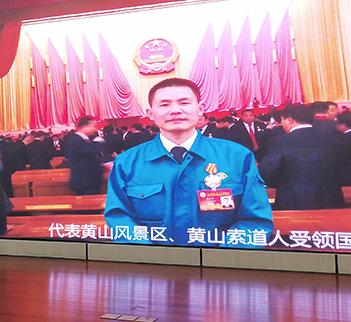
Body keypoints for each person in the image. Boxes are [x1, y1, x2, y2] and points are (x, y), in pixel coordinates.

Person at [104, 78, 273, 246]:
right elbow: (120, 218)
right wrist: (151, 258)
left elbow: (254, 220)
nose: (175, 110)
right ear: (151, 114)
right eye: (164, 104)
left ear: (200, 109)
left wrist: (220, 259)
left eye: (184, 103)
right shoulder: (127, 162)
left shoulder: (236, 157)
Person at [258, 104, 344, 210]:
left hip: (293, 200)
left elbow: (267, 172)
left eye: (282, 120)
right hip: (330, 198)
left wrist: (282, 184)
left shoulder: (280, 141)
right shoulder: (331, 139)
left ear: (289, 120)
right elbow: (341, 166)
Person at [65, 116, 106, 195]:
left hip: (89, 181)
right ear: (84, 127)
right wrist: (99, 142)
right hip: (84, 183)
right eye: (93, 126)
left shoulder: (84, 139)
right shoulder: (76, 139)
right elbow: (91, 152)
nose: (95, 129)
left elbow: (87, 158)